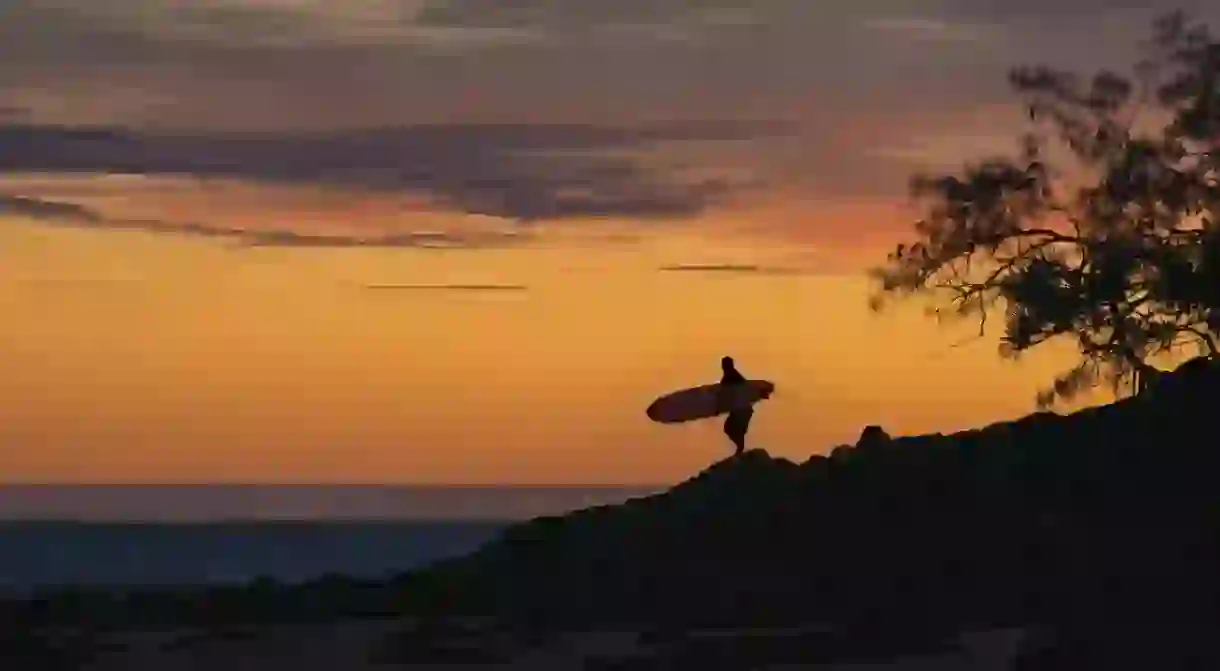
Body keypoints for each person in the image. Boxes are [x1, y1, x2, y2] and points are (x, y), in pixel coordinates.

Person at [718, 356, 753, 456]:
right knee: (732, 428)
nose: (723, 367)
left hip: (742, 409)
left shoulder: (732, 376)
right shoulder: (731, 376)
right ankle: (740, 448)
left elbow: (724, 394)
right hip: (741, 410)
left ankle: (740, 448)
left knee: (731, 428)